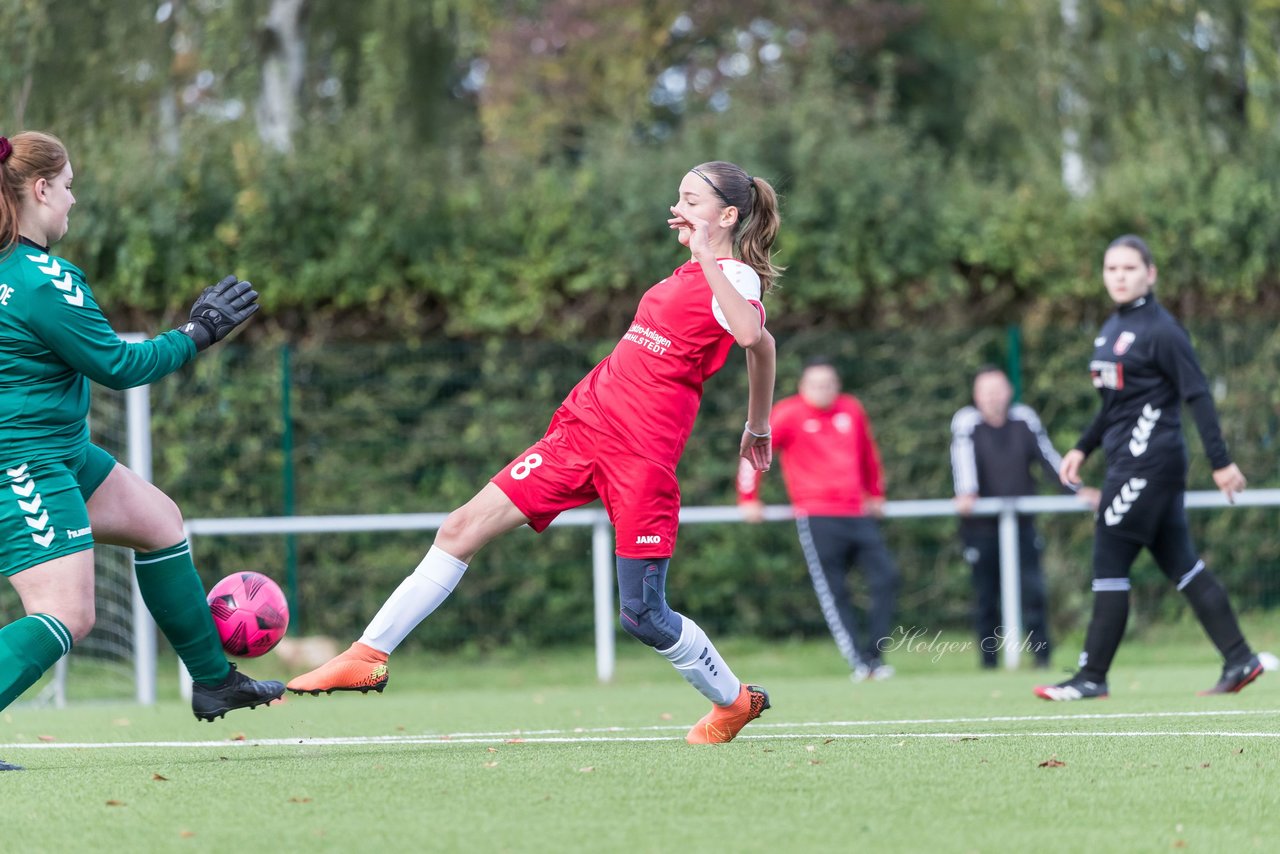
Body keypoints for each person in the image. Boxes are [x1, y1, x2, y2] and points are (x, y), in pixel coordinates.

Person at [288, 160, 782, 745]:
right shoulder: (684, 275)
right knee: (459, 528)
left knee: (643, 615)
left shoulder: (734, 276)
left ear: (727, 215)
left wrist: (756, 423)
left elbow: (755, 339)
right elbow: (757, 344)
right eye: (678, 198)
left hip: (639, 457)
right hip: (580, 434)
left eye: (692, 201)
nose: (679, 209)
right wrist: (757, 424)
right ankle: (367, 654)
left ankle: (733, 702)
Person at [0, 131, 283, 771]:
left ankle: (213, 681)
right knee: (66, 614)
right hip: (22, 459)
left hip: (60, 448)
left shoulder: (9, 272)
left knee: (159, 522)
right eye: (69, 186)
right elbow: (121, 366)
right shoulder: (40, 279)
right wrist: (198, 332)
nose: (74, 200)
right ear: (40, 190)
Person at [1035, 234, 1262, 701]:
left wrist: (1220, 462)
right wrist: (1083, 447)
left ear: (1150, 274)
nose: (1118, 276)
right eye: (1111, 268)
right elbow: (1114, 405)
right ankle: (1240, 657)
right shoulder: (1110, 327)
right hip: (1127, 460)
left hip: (1147, 464)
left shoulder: (1162, 330)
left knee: (1109, 555)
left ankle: (1092, 677)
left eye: (1129, 268)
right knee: (1183, 565)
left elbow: (1196, 393)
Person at [737, 357, 898, 682]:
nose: (823, 391)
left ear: (837, 386)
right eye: (816, 385)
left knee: (887, 577)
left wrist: (875, 492)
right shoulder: (788, 413)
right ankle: (860, 664)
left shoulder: (851, 409)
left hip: (857, 512)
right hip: (817, 516)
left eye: (829, 384)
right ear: (802, 387)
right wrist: (749, 498)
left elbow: (867, 453)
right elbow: (754, 451)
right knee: (834, 591)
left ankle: (874, 656)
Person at [951, 366, 1099, 670]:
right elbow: (962, 461)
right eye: (986, 392)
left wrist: (1077, 490)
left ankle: (1041, 659)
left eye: (998, 390)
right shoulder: (967, 422)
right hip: (980, 529)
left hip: (1022, 526)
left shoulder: (1024, 419)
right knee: (986, 598)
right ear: (976, 396)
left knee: (1033, 592)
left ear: (1008, 392)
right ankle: (988, 663)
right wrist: (966, 492)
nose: (992, 398)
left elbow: (1049, 460)